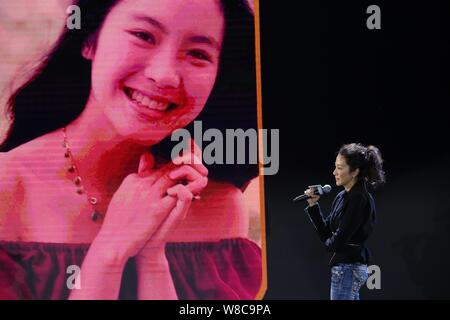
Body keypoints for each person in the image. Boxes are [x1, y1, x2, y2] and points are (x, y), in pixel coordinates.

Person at [0, 0, 262, 300]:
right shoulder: (7, 189)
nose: (165, 75)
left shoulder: (220, 207)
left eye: (198, 53)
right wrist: (109, 252)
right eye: (143, 35)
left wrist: (152, 259)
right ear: (89, 40)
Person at [303, 143, 385, 300]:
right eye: (335, 167)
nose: (334, 172)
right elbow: (327, 232)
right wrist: (313, 205)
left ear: (354, 171)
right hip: (345, 268)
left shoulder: (359, 198)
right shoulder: (342, 196)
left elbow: (338, 241)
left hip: (348, 268)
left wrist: (329, 245)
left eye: (340, 168)